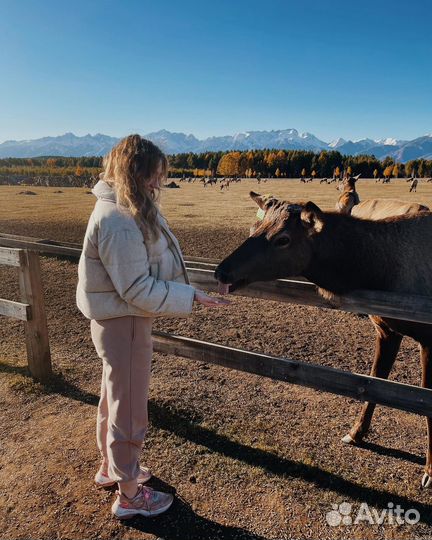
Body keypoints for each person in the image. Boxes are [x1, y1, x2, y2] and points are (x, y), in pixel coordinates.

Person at [76, 134, 229, 519]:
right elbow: (136, 287)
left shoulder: (123, 210)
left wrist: (192, 288)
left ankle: (112, 470)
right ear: (134, 173)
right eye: (152, 176)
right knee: (128, 408)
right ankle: (129, 496)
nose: (158, 184)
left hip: (118, 319)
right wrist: (190, 297)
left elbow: (147, 270)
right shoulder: (119, 221)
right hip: (124, 321)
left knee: (114, 398)